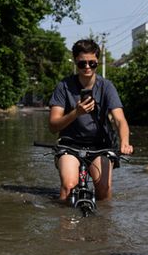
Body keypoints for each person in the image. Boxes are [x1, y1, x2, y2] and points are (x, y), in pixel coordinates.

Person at [48, 39, 133, 202]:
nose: (87, 67)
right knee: (68, 186)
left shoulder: (107, 86)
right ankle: (65, 224)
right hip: (69, 144)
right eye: (82, 64)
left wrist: (125, 142)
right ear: (75, 62)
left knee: (104, 190)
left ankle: (103, 225)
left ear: (97, 62)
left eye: (92, 63)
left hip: (100, 146)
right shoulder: (63, 86)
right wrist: (76, 113)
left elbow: (120, 119)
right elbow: (53, 125)